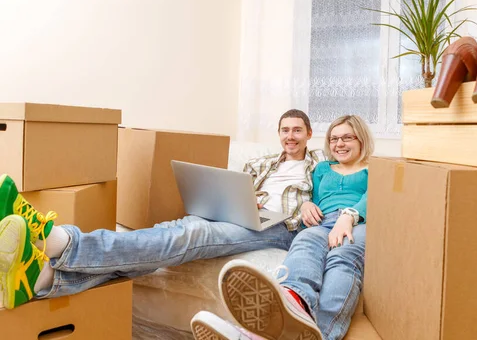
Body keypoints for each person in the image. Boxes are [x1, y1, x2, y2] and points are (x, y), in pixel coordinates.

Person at [0, 109, 326, 310]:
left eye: (297, 130)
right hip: (245, 213)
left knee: (192, 233)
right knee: (171, 233)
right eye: (285, 130)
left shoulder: (320, 166)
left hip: (281, 228)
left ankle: (57, 239)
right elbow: (239, 188)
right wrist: (245, 200)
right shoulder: (262, 163)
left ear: (309, 134)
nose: (290, 136)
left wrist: (311, 203)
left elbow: (330, 202)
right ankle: (44, 279)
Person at [189, 115, 374, 340]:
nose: (339, 144)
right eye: (334, 139)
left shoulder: (374, 168)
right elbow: (312, 196)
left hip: (359, 223)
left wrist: (349, 216)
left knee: (342, 257)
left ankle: (320, 335)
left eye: (347, 137)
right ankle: (286, 312)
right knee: (304, 242)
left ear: (361, 139)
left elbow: (375, 195)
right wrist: (307, 205)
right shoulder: (323, 168)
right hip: (322, 222)